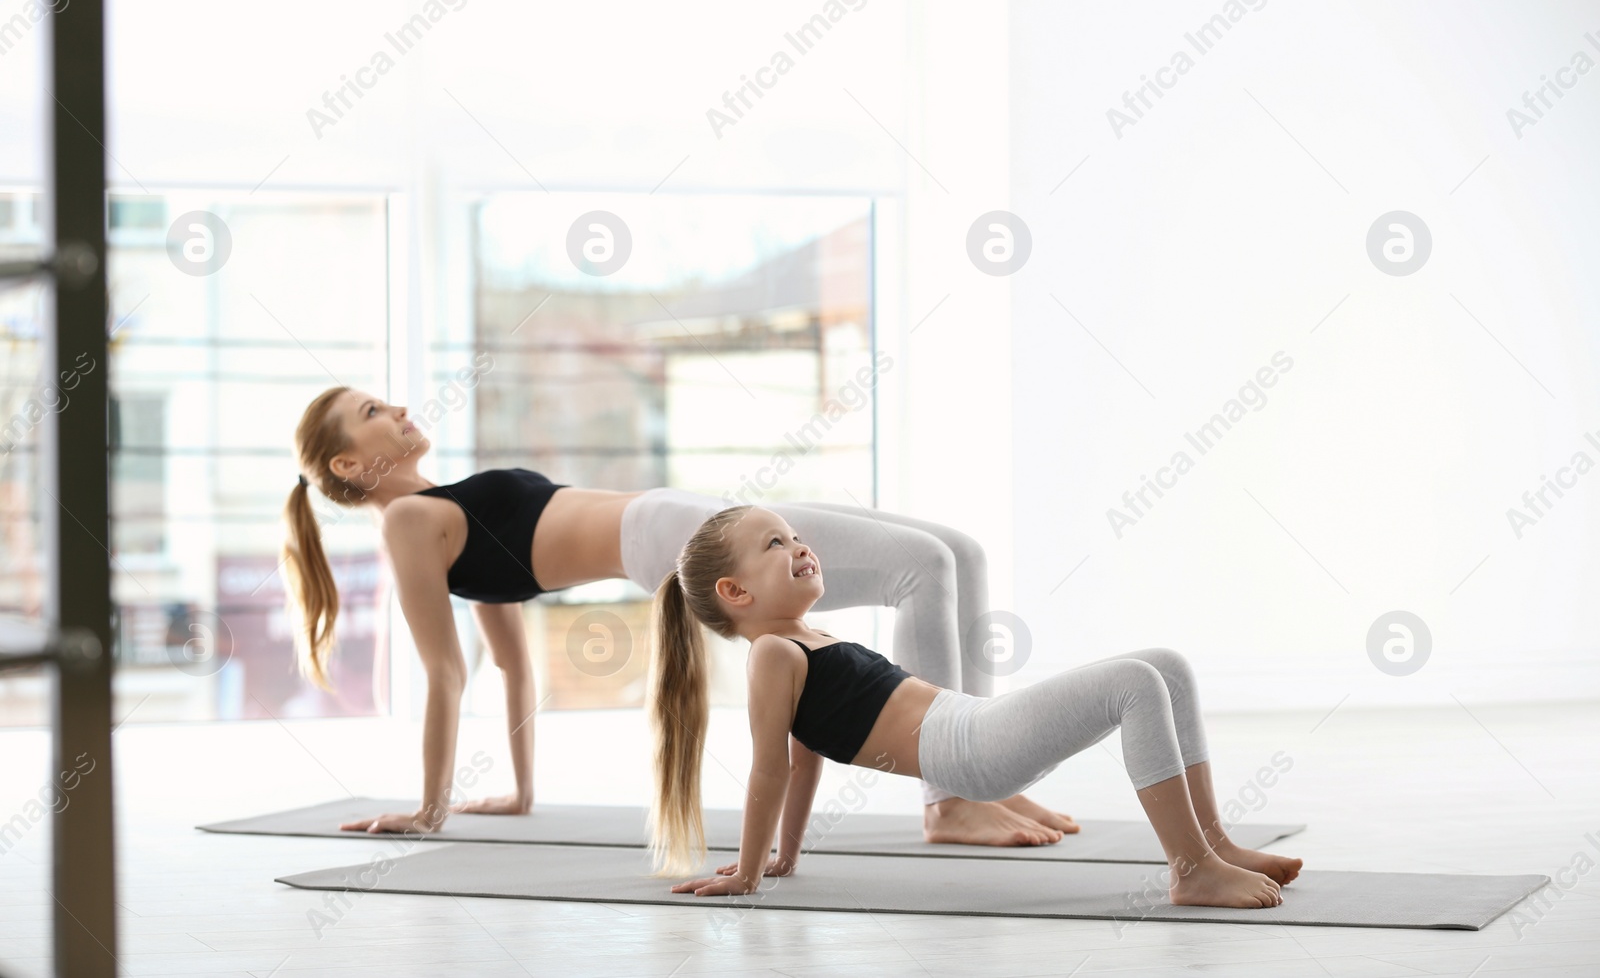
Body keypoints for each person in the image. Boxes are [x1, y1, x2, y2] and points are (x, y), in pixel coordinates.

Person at [281, 386, 1072, 844]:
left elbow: (518, 664)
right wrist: (430, 808)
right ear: (350, 464)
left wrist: (520, 793)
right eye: (373, 411)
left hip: (678, 515)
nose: (398, 408)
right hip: (674, 534)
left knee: (957, 551)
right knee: (922, 568)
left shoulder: (441, 511)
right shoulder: (410, 523)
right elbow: (448, 671)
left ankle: (983, 773)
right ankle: (951, 796)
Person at [648, 505, 1303, 908]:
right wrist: (754, 868)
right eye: (774, 544)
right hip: (970, 751)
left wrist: (787, 853)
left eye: (793, 535)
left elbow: (805, 752)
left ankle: (1213, 843)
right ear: (734, 590)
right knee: (1134, 681)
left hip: (971, 727)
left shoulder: (805, 640)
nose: (799, 546)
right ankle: (1191, 870)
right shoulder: (773, 654)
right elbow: (772, 768)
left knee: (1165, 665)